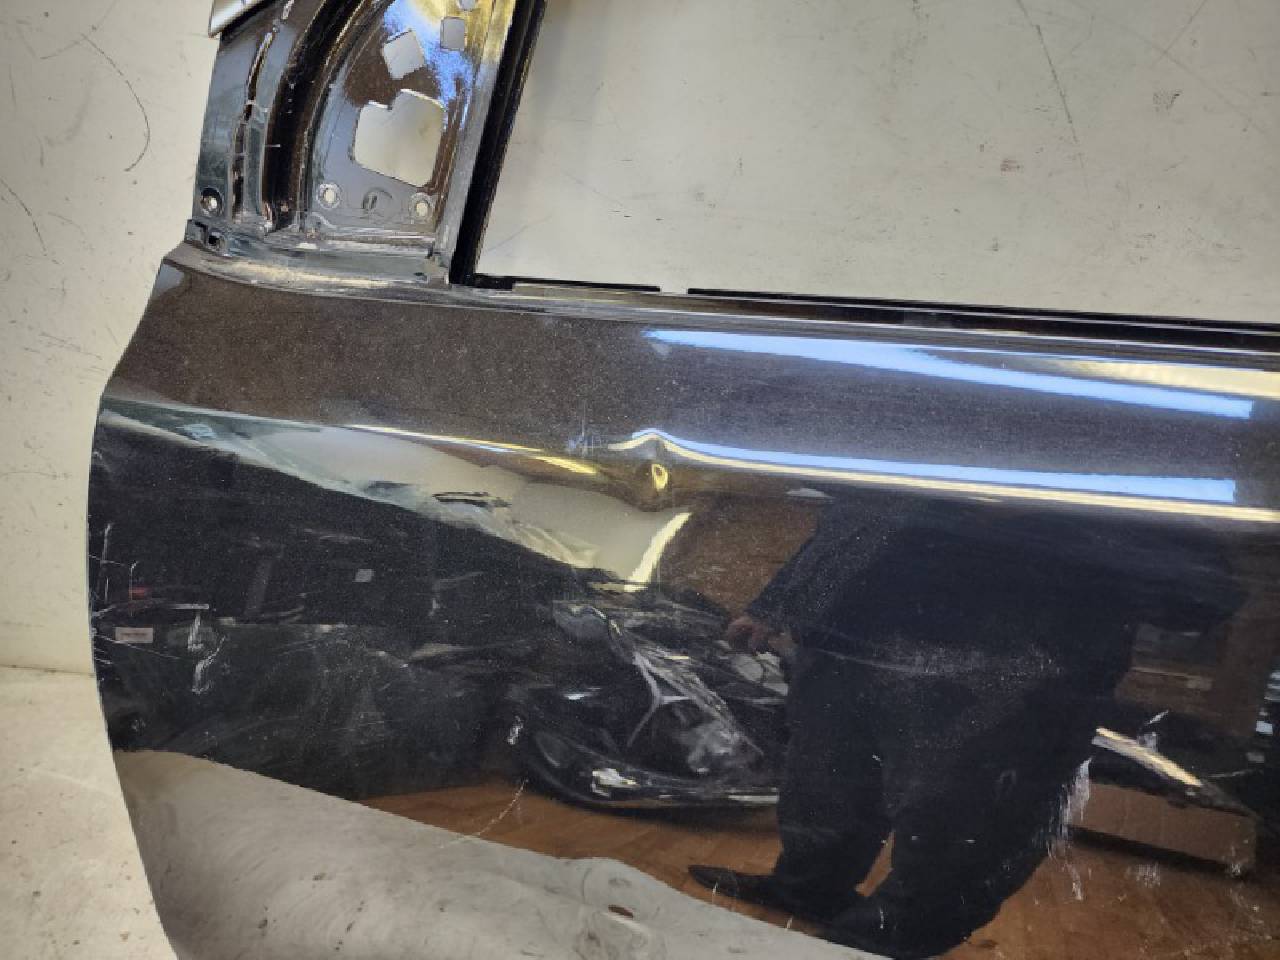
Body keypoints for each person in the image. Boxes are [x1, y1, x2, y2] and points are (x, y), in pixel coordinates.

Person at [688, 490, 1238, 958]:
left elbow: (1198, 595)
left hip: (1011, 670)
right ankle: (805, 889)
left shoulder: (1126, 448)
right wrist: (778, 602)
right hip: (852, 640)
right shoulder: (940, 426)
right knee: (822, 786)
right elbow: (855, 520)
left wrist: (1057, 528)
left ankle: (882, 943)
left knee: (964, 828)